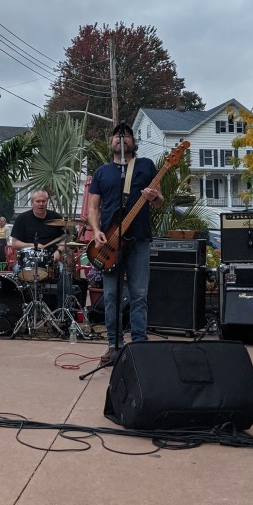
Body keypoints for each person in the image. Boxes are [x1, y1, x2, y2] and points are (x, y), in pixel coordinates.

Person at [88, 123, 163, 366]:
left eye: (126, 136)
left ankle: (139, 345)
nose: (121, 139)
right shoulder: (102, 172)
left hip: (139, 239)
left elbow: (159, 202)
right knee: (111, 296)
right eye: (117, 136)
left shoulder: (146, 166)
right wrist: (96, 231)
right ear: (110, 143)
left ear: (133, 142)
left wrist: (154, 197)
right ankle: (114, 345)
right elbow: (93, 208)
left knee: (139, 295)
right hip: (110, 243)